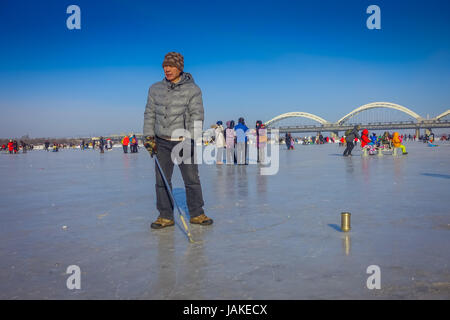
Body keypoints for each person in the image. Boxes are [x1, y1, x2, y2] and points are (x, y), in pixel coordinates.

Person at [143, 51, 213, 229]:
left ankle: (197, 213)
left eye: (172, 66)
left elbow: (197, 115)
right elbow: (149, 114)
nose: (168, 69)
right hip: (161, 141)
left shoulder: (193, 89)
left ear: (180, 68)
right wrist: (149, 136)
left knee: (191, 179)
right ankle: (165, 216)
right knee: (162, 181)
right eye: (165, 66)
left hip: (183, 139)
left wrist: (192, 139)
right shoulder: (154, 89)